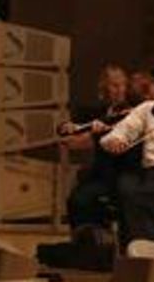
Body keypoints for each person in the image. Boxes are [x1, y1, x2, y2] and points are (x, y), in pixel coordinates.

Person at [101, 61, 154, 243]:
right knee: (136, 194)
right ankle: (144, 257)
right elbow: (115, 135)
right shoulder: (148, 108)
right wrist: (115, 140)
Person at [60, 63, 139, 237]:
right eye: (114, 85)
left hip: (124, 173)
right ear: (103, 88)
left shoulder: (132, 112)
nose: (119, 90)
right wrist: (70, 129)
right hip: (102, 174)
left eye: (122, 85)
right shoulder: (97, 112)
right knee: (76, 200)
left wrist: (96, 136)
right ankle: (84, 242)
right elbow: (70, 139)